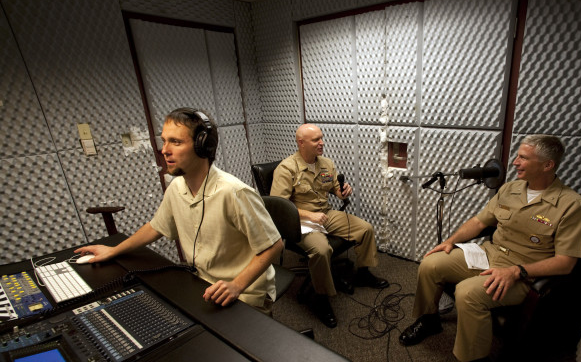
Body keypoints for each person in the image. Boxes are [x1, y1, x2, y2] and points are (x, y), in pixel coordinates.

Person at [398, 134, 581, 362]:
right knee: (431, 263)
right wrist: (451, 241)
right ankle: (429, 319)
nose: (515, 162)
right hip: (489, 253)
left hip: (522, 273)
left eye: (523, 157)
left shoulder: (571, 205)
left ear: (548, 165)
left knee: (468, 293)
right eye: (517, 155)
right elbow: (479, 222)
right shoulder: (511, 189)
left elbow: (566, 263)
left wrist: (518, 271)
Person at [75, 108, 283, 315]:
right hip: (203, 283)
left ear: (202, 146)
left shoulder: (234, 192)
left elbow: (273, 246)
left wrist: (237, 285)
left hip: (243, 292)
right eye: (164, 141)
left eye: (175, 142)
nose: (164, 150)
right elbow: (156, 227)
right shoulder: (176, 187)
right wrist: (113, 251)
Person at [270, 123, 389, 328]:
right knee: (321, 250)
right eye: (316, 139)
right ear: (301, 143)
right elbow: (279, 206)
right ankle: (321, 298)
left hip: (325, 213)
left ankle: (363, 273)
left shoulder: (326, 164)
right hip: (301, 221)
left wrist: (342, 191)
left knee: (365, 229)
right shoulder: (287, 169)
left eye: (321, 138)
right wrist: (309, 215)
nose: (322, 143)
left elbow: (334, 188)